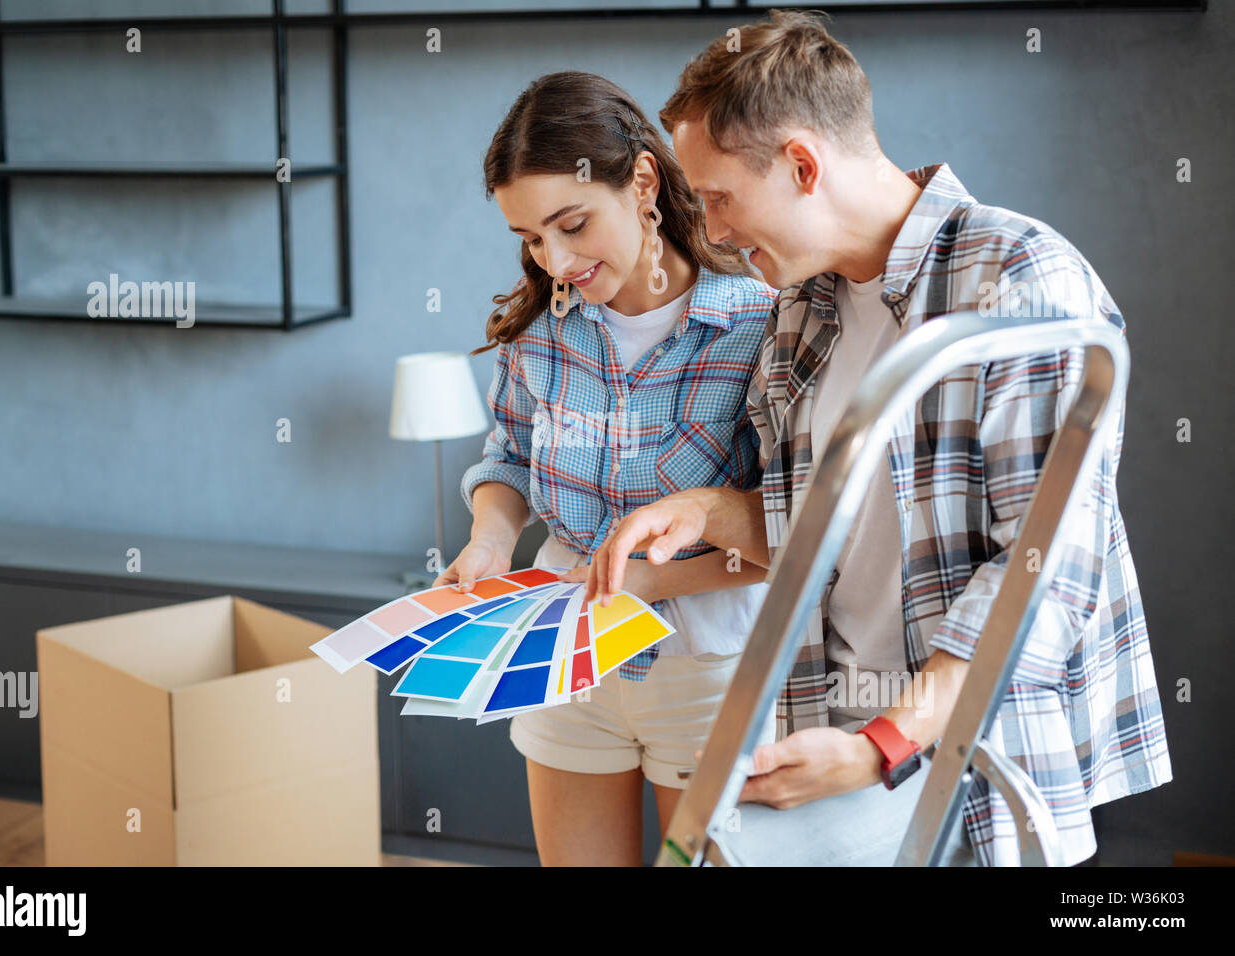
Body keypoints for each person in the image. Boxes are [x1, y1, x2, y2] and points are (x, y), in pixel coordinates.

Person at [585, 10, 1172, 866]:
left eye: (717, 197)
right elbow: (828, 531)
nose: (709, 231)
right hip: (837, 746)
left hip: (977, 756)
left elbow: (1046, 571)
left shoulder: (1019, 281)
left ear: (801, 164)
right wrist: (709, 511)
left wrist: (887, 743)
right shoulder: (801, 312)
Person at [433, 71, 780, 866]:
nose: (554, 260)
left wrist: (646, 584)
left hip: (708, 666)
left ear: (644, 183)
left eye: (571, 224)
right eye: (529, 238)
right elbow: (508, 458)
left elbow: (788, 524)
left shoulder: (758, 324)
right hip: (564, 657)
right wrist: (491, 539)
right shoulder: (538, 331)